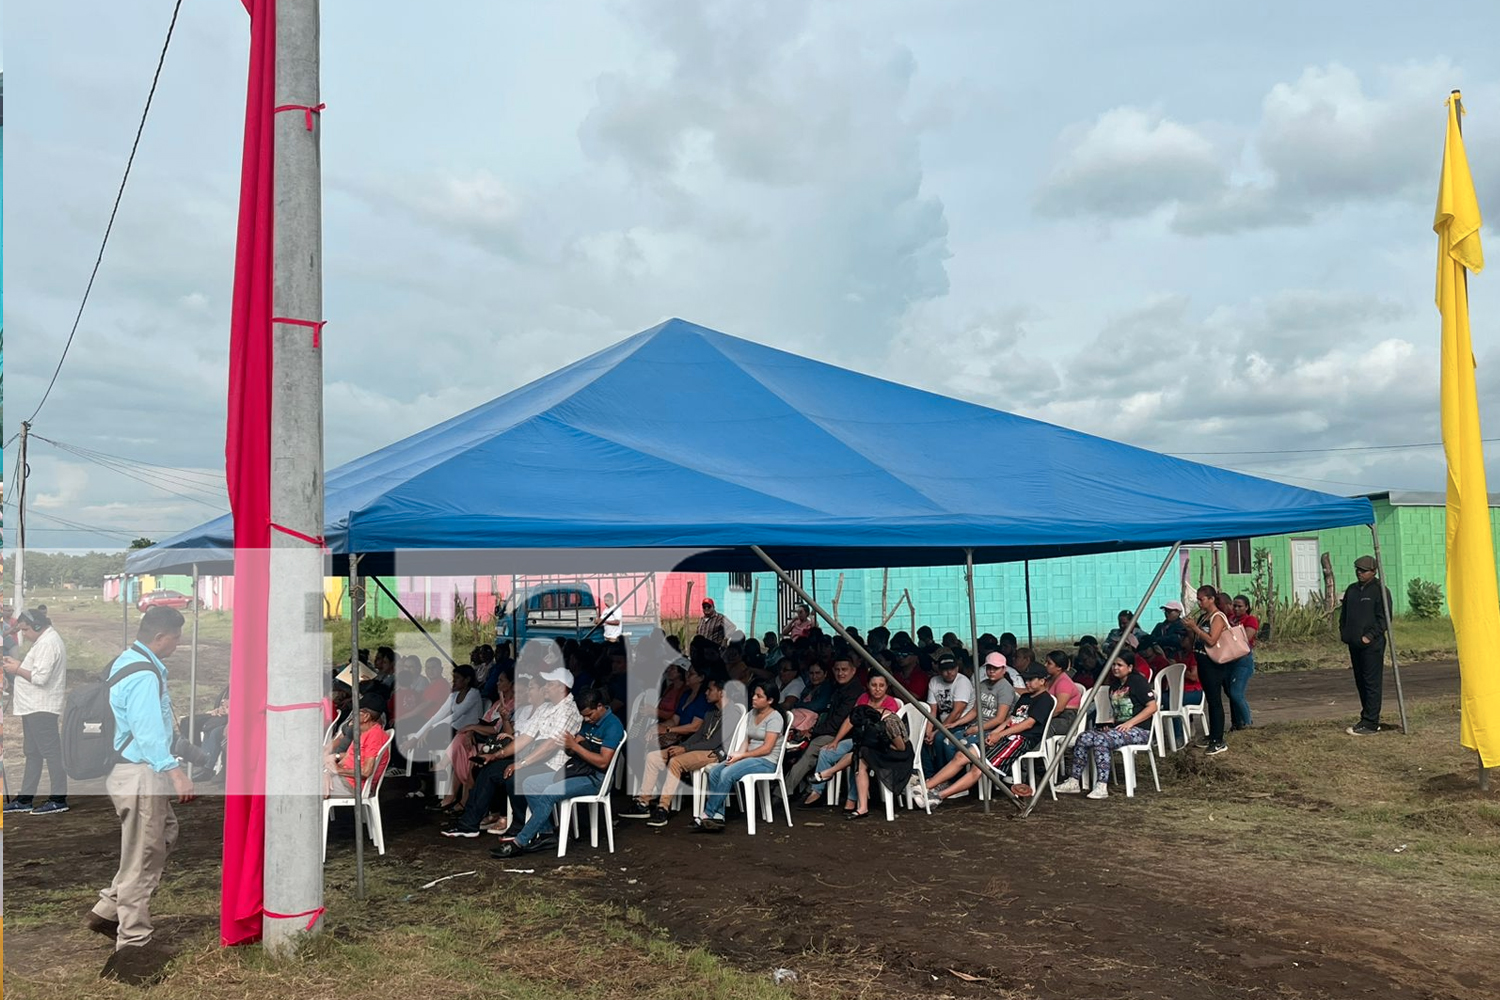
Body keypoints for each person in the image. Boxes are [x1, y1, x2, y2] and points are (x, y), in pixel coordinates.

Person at [88, 607, 195, 987]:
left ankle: (108, 909)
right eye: (176, 639)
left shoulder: (127, 661)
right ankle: (133, 945)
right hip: (141, 774)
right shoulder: (144, 675)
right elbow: (149, 733)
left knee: (163, 835)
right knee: (143, 854)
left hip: (131, 772)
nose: (178, 645)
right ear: (161, 638)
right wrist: (175, 771)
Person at [442, 663, 582, 839]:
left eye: (550, 683)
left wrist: (521, 763)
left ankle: (520, 825)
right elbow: (525, 738)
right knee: (489, 769)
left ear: (562, 687)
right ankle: (468, 824)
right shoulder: (547, 707)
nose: (545, 686)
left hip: (553, 765)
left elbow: (550, 746)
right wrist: (496, 755)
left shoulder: (568, 710)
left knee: (515, 777)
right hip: (535, 757)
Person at [491, 688, 625, 856]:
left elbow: (604, 762)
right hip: (577, 771)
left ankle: (520, 841)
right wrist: (570, 746)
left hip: (596, 779)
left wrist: (575, 746)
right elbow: (573, 749)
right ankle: (547, 834)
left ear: (600, 707)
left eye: (589, 715)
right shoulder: (588, 721)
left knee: (548, 794)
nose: (586, 719)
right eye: (583, 716)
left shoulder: (613, 725)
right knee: (529, 784)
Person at [916, 663, 1055, 806]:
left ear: (1042, 681)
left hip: (1020, 739)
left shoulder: (1045, 700)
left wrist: (999, 735)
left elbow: (1028, 724)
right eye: (1026, 679)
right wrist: (995, 732)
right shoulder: (1025, 697)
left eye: (1031, 680)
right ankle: (925, 787)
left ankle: (938, 796)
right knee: (961, 755)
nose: (1027, 683)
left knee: (979, 767)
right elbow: (1010, 719)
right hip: (1006, 734)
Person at [623, 669, 732, 827]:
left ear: (721, 692)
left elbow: (713, 742)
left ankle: (663, 808)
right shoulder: (711, 712)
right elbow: (699, 735)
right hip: (698, 748)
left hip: (715, 753)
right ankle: (643, 803)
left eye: (710, 689)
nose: (706, 693)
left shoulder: (732, 713)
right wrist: (679, 746)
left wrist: (684, 750)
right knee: (654, 757)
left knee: (676, 761)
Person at [1054, 653, 1158, 800]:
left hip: (1140, 730)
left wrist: (1130, 723)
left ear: (1130, 667)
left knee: (1101, 740)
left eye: (1120, 665)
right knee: (1083, 737)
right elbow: (1118, 711)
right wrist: (1109, 723)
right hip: (1119, 729)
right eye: (1114, 664)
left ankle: (1102, 785)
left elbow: (1152, 707)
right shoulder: (1115, 685)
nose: (1115, 668)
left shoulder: (1138, 681)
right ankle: (1074, 781)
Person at [3, 608, 70, 815]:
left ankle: (58, 798)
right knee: (32, 752)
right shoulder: (43, 641)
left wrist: (17, 669)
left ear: (37, 626)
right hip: (33, 706)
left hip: (42, 706)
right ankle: (25, 799)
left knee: (51, 752)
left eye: (25, 630)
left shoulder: (49, 644)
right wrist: (18, 665)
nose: (23, 634)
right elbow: (37, 670)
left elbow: (40, 678)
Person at [694, 680, 783, 832]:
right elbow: (746, 740)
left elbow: (767, 749)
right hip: (749, 757)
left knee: (727, 773)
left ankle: (707, 813)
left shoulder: (775, 718)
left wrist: (742, 756)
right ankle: (717, 817)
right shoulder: (752, 713)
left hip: (766, 761)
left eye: (759, 696)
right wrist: (738, 754)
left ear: (770, 700)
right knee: (716, 772)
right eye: (754, 694)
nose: (754, 698)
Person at [803, 673, 901, 805]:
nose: (877, 689)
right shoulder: (863, 698)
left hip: (877, 745)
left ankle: (852, 799)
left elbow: (886, 730)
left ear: (887, 687)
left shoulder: (891, 702)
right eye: (874, 685)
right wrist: (836, 741)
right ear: (867, 686)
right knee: (826, 752)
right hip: (857, 739)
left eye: (881, 685)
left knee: (856, 757)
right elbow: (850, 719)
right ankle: (817, 792)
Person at [784, 657, 861, 801]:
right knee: (796, 746)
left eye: (844, 670)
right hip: (828, 730)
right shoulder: (838, 687)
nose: (840, 673)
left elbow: (837, 722)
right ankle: (800, 788)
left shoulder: (853, 692)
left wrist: (813, 731)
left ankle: (784, 792)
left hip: (844, 735)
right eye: (837, 670)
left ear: (853, 670)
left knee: (811, 749)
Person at [1340, 555, 1390, 736]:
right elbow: (1344, 614)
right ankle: (1366, 716)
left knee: (1372, 682)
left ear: (1373, 571)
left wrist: (1369, 637)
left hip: (1372, 645)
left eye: (1363, 570)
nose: (1359, 573)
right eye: (1357, 570)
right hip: (1353, 643)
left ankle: (1371, 721)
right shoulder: (1352, 590)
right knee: (1360, 681)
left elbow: (1384, 619)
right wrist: (1344, 633)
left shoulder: (1379, 590)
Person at [1179, 586, 1231, 755]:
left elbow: (1211, 640)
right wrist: (1190, 628)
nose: (1199, 602)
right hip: (1202, 660)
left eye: (1201, 599)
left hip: (1213, 663)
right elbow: (1196, 637)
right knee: (1210, 698)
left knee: (1215, 700)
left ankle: (1218, 739)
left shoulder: (1217, 617)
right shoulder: (1203, 617)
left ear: (1211, 599)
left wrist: (1195, 628)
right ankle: (1212, 734)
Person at [323, 695, 390, 797]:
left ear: (366, 716)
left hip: (353, 786)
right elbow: (348, 757)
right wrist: (327, 772)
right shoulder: (363, 732)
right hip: (344, 779)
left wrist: (337, 770)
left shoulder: (375, 736)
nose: (351, 716)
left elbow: (366, 772)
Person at [921, 650, 973, 776]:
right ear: (939, 670)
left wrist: (936, 731)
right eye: (945, 669)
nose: (949, 672)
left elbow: (957, 712)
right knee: (921, 738)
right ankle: (929, 775)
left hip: (962, 722)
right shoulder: (934, 681)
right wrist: (928, 730)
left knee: (939, 738)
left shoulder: (962, 682)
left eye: (952, 668)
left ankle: (943, 776)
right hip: (943, 723)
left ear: (957, 668)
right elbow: (932, 710)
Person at [1227, 595, 1260, 731]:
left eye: (1240, 606)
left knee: (1236, 693)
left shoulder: (1250, 620)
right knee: (1232, 693)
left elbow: (1245, 638)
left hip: (1243, 659)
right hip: (1229, 659)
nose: (1236, 608)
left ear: (1246, 607)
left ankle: (1247, 722)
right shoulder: (1230, 619)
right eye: (1234, 605)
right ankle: (1239, 722)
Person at [1043, 651, 1083, 732]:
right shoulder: (1050, 679)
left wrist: (1041, 718)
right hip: (1054, 714)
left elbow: (1059, 708)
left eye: (1049, 663)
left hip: (1066, 717)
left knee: (1045, 728)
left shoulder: (1064, 683)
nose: (1045, 665)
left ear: (1059, 667)